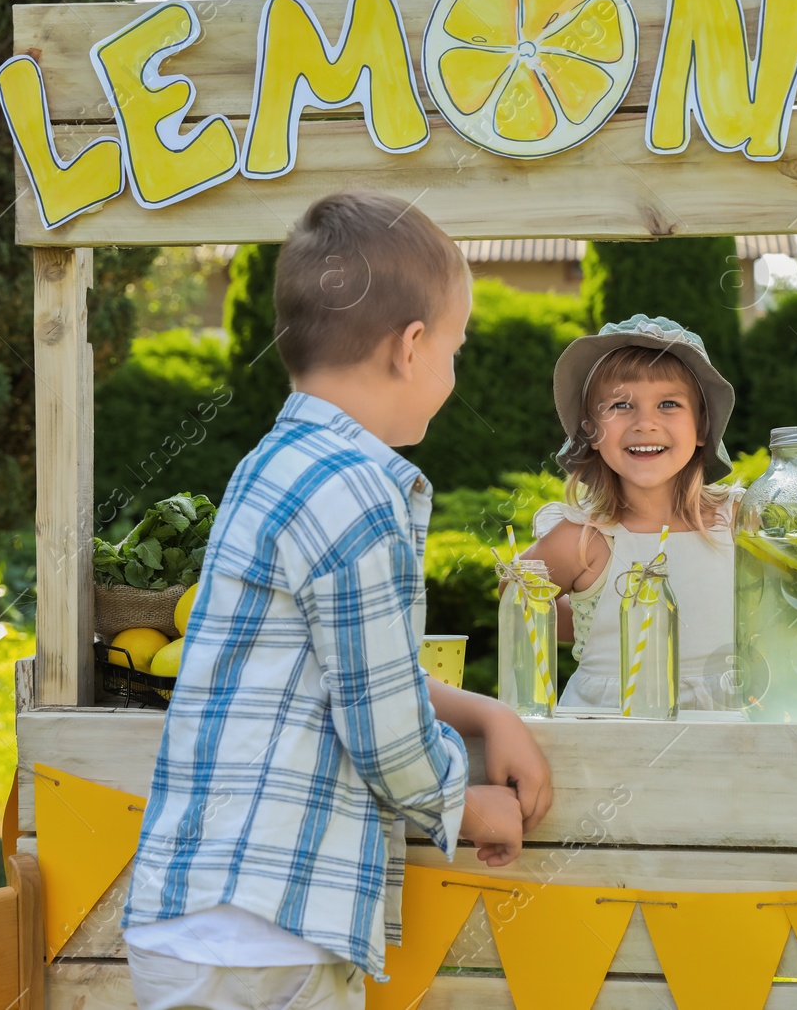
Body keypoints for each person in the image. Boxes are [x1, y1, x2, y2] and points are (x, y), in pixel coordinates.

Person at [121, 192, 553, 1010]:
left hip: (196, 914)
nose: (455, 371)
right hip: (272, 929)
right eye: (456, 348)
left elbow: (344, 672)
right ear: (413, 346)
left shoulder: (270, 464)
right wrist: (465, 804)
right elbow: (382, 731)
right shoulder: (361, 493)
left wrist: (482, 712)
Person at [523, 314, 742, 711]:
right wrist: (592, 618)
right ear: (590, 431)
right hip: (606, 726)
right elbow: (516, 597)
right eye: (621, 405)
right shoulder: (583, 538)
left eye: (669, 404)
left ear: (701, 427)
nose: (645, 423)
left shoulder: (739, 521)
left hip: (727, 723)